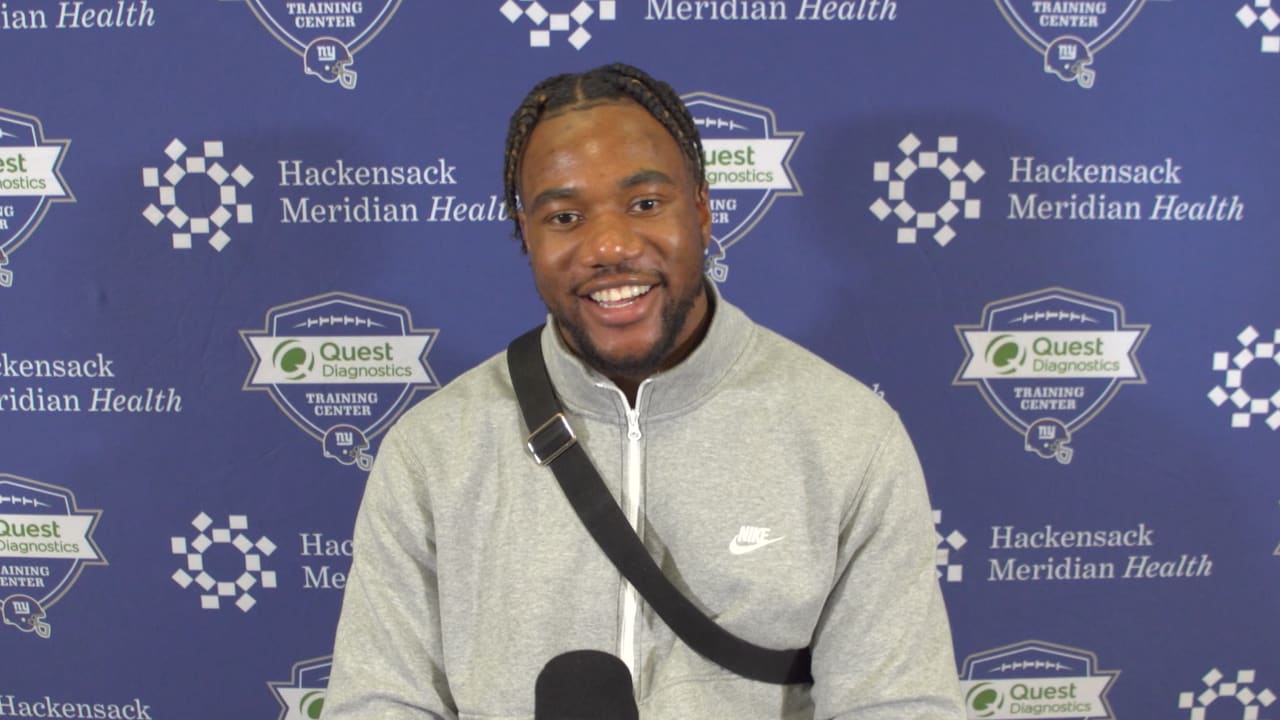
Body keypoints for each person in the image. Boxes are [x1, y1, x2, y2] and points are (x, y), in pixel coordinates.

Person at [323, 62, 965, 719]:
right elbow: (381, 699)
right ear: (527, 236)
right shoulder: (431, 453)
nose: (609, 245)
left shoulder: (849, 436)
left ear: (703, 209)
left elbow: (898, 702)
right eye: (565, 216)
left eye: (646, 204)